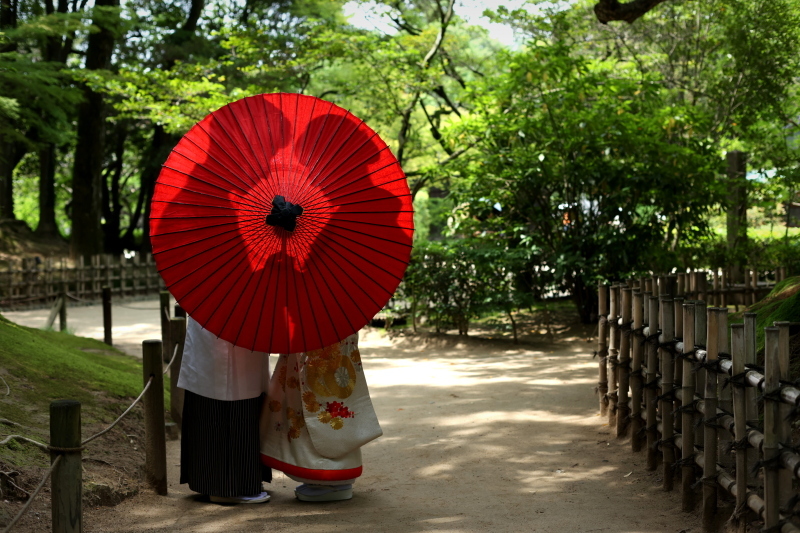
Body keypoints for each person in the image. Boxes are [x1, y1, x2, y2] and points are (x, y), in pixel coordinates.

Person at [260, 332, 382, 502]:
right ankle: (331, 479)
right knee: (332, 412)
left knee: (316, 410)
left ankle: (329, 480)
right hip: (332, 336)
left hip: (314, 342)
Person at [178, 316, 272, 504]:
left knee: (221, 397)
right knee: (231, 398)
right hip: (230, 323)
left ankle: (215, 482)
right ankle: (227, 487)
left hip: (217, 322)